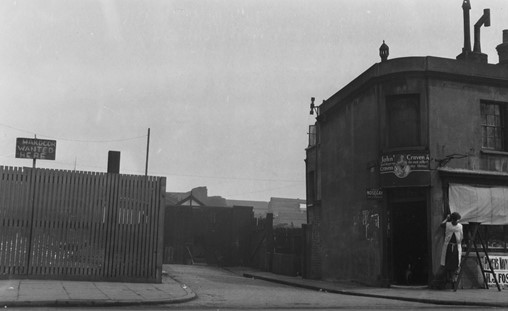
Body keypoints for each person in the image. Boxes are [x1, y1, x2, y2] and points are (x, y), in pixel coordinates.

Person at [439, 212, 463, 288]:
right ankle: (452, 280)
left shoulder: (448, 224)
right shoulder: (460, 226)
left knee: (447, 264)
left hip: (449, 247)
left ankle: (451, 279)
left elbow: (441, 224)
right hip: (455, 247)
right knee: (455, 264)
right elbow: (462, 237)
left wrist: (447, 218)